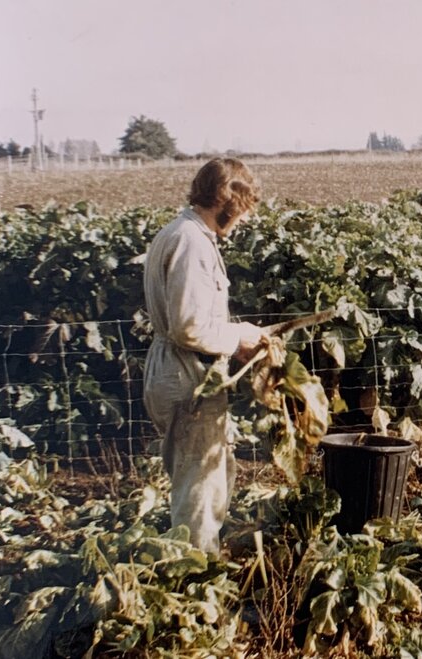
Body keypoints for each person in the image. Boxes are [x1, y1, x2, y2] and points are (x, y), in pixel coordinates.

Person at [143, 158, 268, 554]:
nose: (245, 219)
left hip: (181, 367)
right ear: (226, 200)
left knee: (209, 473)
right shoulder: (191, 242)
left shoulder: (185, 233)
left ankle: (200, 559)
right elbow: (189, 327)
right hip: (186, 373)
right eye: (243, 208)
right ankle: (196, 576)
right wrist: (240, 336)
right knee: (200, 486)